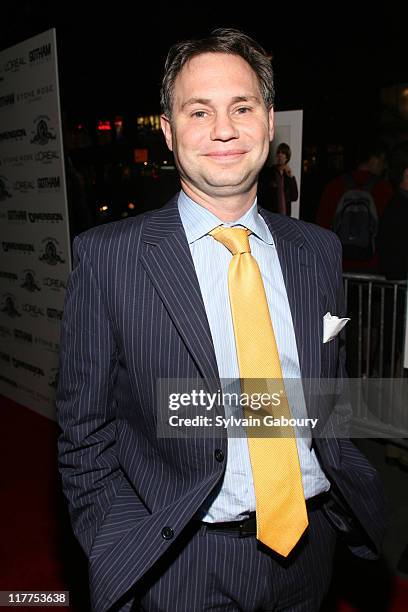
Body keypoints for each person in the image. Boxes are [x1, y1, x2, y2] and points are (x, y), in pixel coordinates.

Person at [57, 28, 387, 612]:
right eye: (198, 110)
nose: (223, 129)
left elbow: (329, 398)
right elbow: (84, 431)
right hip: (179, 562)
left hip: (311, 551)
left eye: (242, 107)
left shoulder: (319, 250)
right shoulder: (109, 256)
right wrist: (115, 544)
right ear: (167, 130)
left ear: (267, 120)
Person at [316, 142, 393, 271]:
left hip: (338, 267)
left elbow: (321, 225)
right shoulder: (384, 189)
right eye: (383, 161)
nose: (384, 167)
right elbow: (391, 231)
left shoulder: (335, 186)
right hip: (372, 269)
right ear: (374, 159)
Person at [258, 142, 298, 215]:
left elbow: (294, 197)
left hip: (286, 216)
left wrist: (291, 177)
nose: (280, 155)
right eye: (278, 153)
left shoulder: (288, 176)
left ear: (287, 157)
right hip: (272, 214)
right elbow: (262, 195)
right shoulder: (269, 172)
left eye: (283, 153)